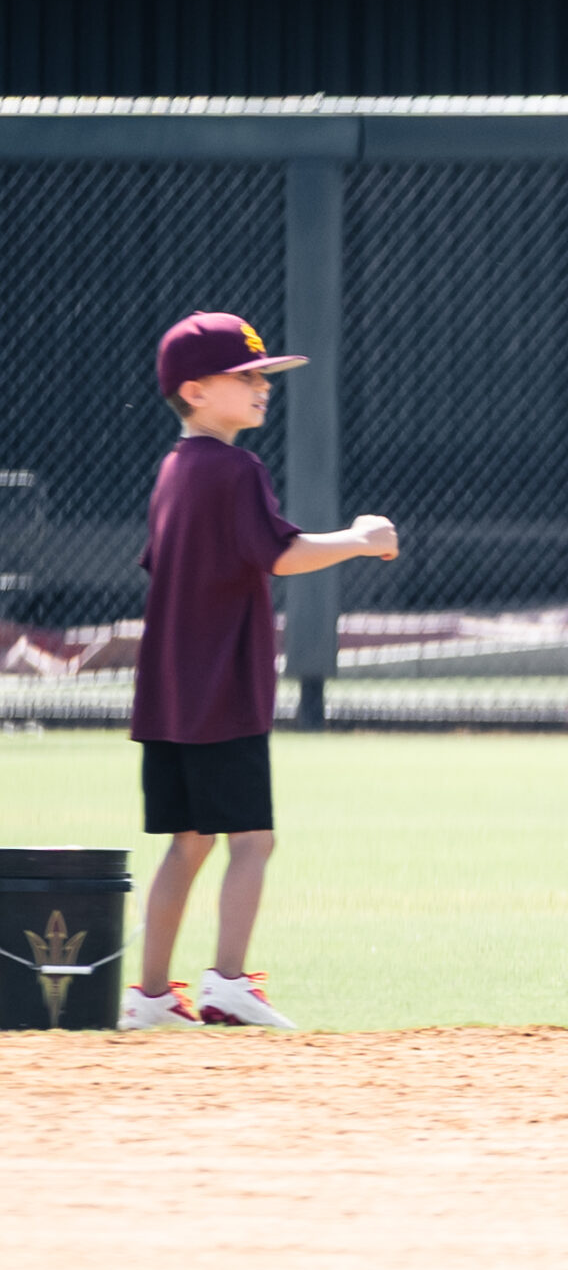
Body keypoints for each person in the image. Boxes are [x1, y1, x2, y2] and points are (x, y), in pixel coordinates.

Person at [120, 312, 400, 1031]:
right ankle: (229, 985)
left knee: (188, 842)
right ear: (194, 389)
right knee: (253, 839)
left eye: (261, 375)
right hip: (222, 691)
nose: (260, 386)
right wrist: (361, 540)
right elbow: (282, 554)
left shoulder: (171, 470)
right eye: (244, 376)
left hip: (168, 696)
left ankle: (149, 996)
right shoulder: (236, 469)